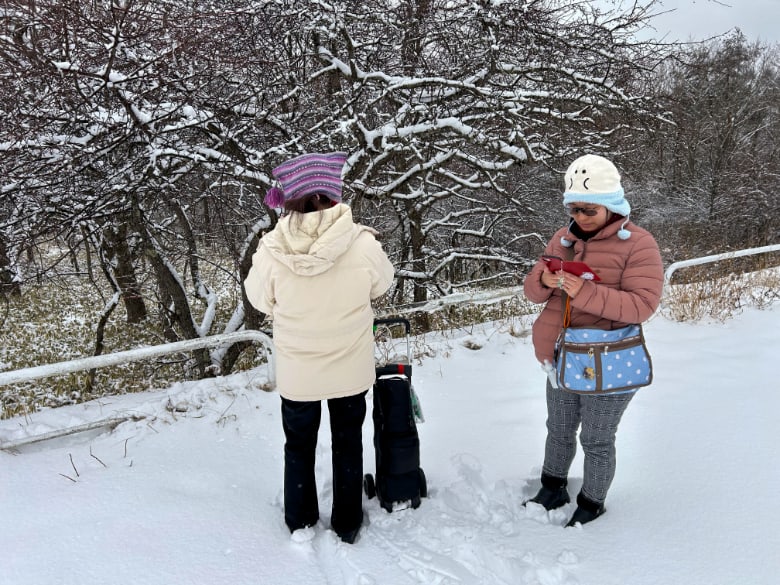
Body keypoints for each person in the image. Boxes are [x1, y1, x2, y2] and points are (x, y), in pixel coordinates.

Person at [244, 151, 395, 543]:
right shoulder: (360, 243)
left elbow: (260, 299)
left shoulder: (271, 250)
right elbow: (383, 284)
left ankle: (300, 519)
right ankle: (346, 521)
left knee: (298, 445)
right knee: (347, 443)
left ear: (290, 199)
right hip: (350, 367)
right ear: (333, 193)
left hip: (299, 372)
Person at [523, 154, 663, 527]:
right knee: (559, 428)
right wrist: (543, 280)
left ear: (612, 205)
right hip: (560, 355)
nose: (580, 217)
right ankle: (552, 487)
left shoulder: (639, 245)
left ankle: (592, 501)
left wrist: (583, 292)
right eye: (574, 209)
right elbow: (533, 293)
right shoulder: (562, 239)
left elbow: (642, 305)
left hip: (608, 361)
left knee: (597, 439)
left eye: (589, 209)